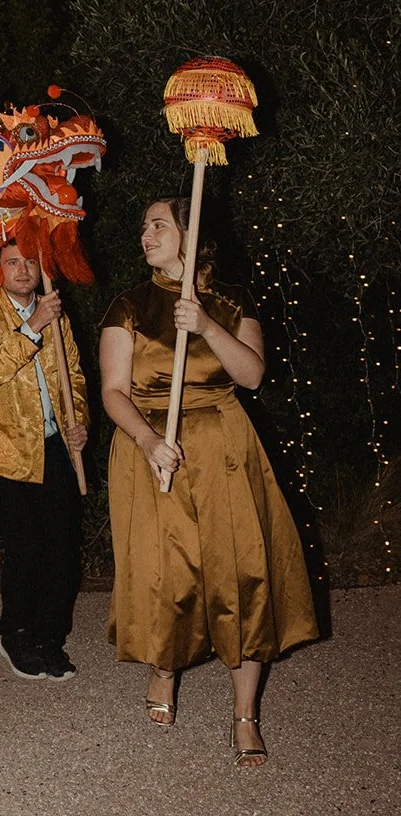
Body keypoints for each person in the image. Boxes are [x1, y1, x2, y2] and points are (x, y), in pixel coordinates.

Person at [98, 197, 318, 765]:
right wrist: (148, 441)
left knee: (240, 572)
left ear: (191, 235)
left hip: (224, 447)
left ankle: (245, 713)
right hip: (151, 447)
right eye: (143, 224)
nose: (144, 233)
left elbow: (252, 375)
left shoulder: (233, 301)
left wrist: (208, 325)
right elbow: (113, 392)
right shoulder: (128, 306)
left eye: (158, 224)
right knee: (165, 570)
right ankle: (164, 669)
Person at [0, 240, 89, 680]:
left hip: (49, 445)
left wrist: (79, 422)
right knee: (26, 541)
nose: (23, 269)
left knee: (61, 547)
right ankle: (15, 633)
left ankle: (50, 639)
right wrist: (33, 325)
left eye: (30, 261)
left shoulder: (57, 314)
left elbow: (73, 375)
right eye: (12, 261)